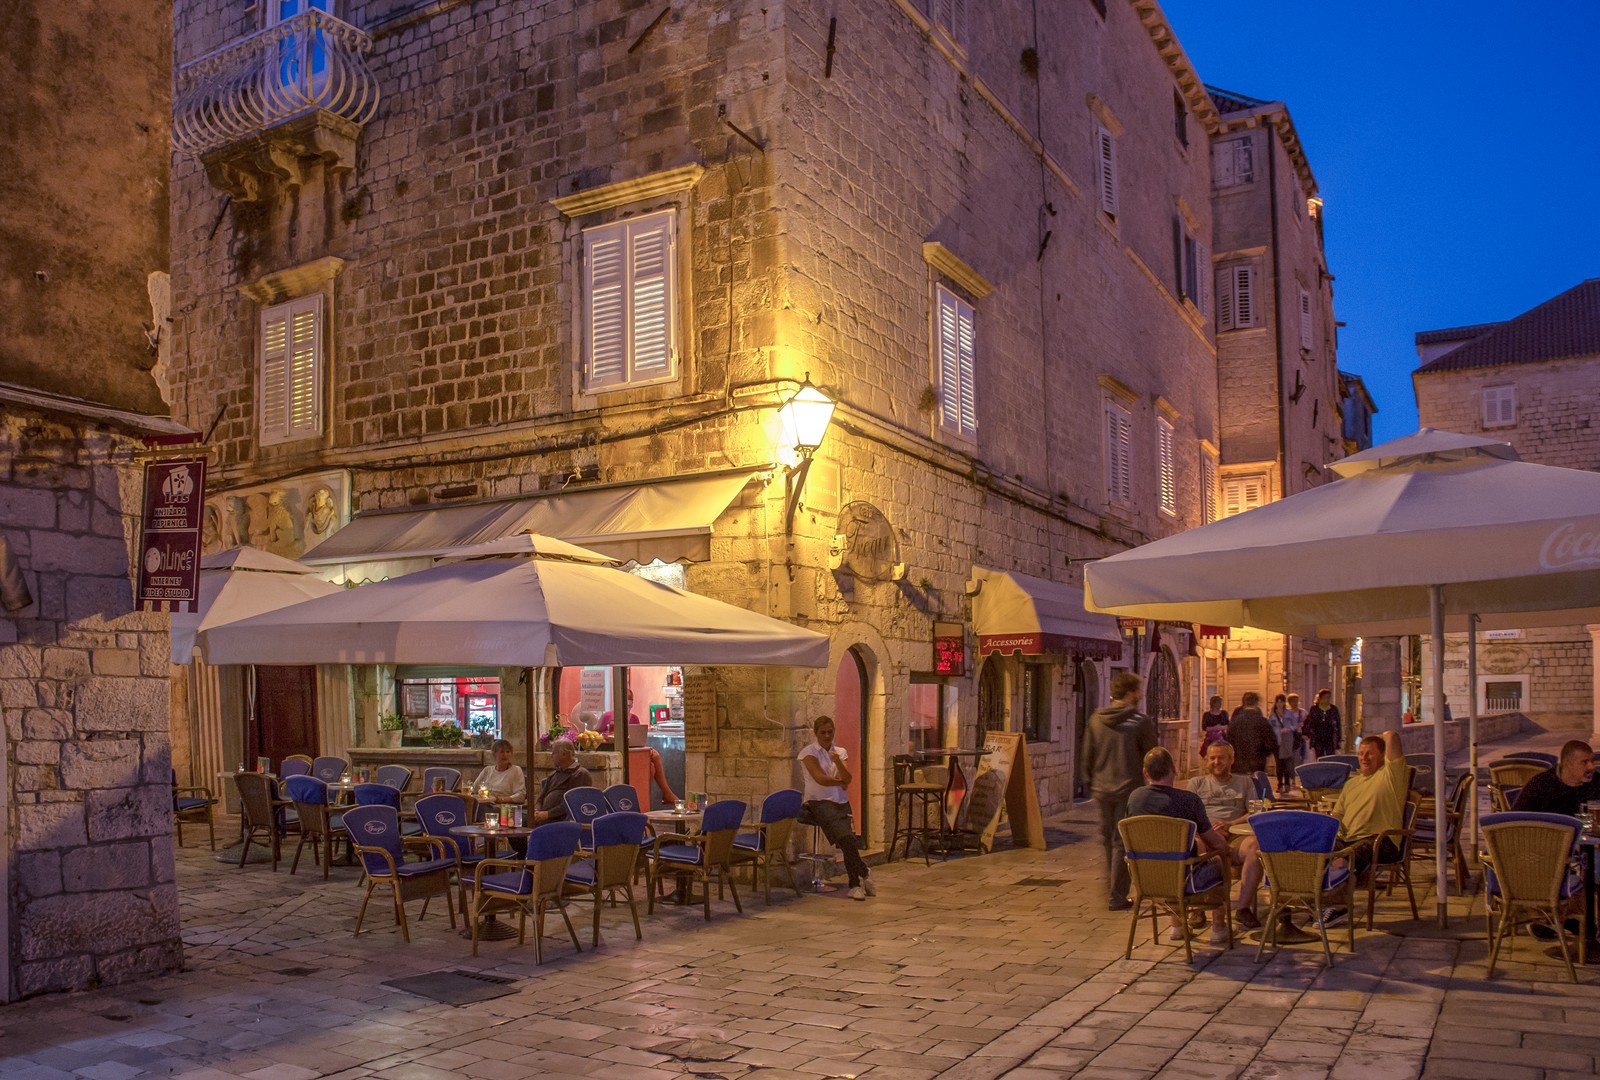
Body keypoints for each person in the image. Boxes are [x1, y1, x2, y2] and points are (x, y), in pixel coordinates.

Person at [1128, 747, 1231, 945]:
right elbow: (1214, 840)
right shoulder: (1188, 801)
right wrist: (1226, 848)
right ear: (1174, 770)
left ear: (1145, 773)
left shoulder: (1134, 799)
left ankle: (1177, 925)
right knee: (1218, 859)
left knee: (1182, 855)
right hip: (1184, 881)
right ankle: (1218, 927)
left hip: (1145, 878)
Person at [1082, 671, 1158, 912]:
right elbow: (1153, 757)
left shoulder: (1096, 719)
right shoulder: (1140, 722)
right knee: (1122, 842)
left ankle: (1114, 891)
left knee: (1108, 841)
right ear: (1130, 693)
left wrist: (1089, 780)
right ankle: (1117, 896)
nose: (1141, 693)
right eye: (1138, 689)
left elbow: (1087, 755)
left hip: (1101, 788)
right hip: (1129, 789)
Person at [1319, 729, 1408, 927]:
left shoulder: (1391, 776)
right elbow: (1338, 815)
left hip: (1380, 840)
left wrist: (1377, 735)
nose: (1364, 758)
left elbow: (1392, 736)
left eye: (1369, 753)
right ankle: (1312, 902)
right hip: (1348, 837)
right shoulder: (1352, 783)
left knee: (1345, 857)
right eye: (1361, 753)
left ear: (1383, 756)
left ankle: (1338, 907)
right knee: (1315, 850)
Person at [1186, 741, 1268, 931]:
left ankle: (1243, 908)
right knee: (1194, 845)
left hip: (1235, 835)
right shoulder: (1197, 784)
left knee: (1255, 848)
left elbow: (1255, 811)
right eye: (1212, 758)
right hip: (1206, 837)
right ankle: (1197, 906)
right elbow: (1188, 816)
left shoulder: (1244, 782)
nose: (1216, 762)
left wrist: (1231, 824)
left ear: (1231, 760)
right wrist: (1208, 831)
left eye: (1221, 758)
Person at [798, 716, 874, 900]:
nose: (826, 735)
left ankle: (856, 883)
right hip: (818, 803)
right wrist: (840, 781)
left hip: (839, 802)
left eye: (829, 732)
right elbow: (820, 778)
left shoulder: (840, 752)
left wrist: (838, 762)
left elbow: (848, 778)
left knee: (848, 839)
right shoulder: (809, 753)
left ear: (834, 732)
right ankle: (861, 874)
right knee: (845, 838)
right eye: (822, 732)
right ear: (816, 733)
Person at [1513, 740, 1600, 815]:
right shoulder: (1542, 784)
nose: (1591, 767)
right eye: (1585, 762)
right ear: (1568, 764)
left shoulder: (1597, 782)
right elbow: (1517, 818)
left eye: (1592, 761)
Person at [530, 738, 593, 825]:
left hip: (561, 820)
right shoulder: (553, 774)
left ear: (564, 754)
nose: (551, 756)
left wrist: (548, 814)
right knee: (516, 820)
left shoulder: (580, 775)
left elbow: (573, 803)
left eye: (554, 753)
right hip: (542, 815)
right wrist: (536, 811)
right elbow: (540, 798)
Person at [1226, 692, 1276, 781]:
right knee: (1257, 788)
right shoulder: (1262, 721)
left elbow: (1229, 740)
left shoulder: (1236, 721)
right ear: (1256, 703)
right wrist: (1264, 754)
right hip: (1258, 762)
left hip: (1239, 762)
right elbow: (1272, 741)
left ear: (1244, 703)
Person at [1266, 693, 1300, 795]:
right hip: (1277, 741)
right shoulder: (1272, 715)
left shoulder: (1288, 714)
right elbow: (1270, 728)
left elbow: (1295, 725)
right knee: (1279, 764)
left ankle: (1287, 783)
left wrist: (1288, 728)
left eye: (1282, 702)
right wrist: (1277, 731)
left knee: (1287, 763)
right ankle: (1280, 784)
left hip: (1287, 740)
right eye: (1278, 702)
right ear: (1276, 703)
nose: (1280, 704)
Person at [1305, 688, 1342, 759]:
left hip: (1330, 737)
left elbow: (1338, 724)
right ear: (1321, 698)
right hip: (1318, 737)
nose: (1327, 700)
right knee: (1319, 756)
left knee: (1330, 756)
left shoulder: (1333, 709)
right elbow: (1310, 722)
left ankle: (1329, 768)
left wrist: (1338, 739)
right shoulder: (1315, 709)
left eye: (1329, 697)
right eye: (1325, 697)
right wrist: (1308, 734)